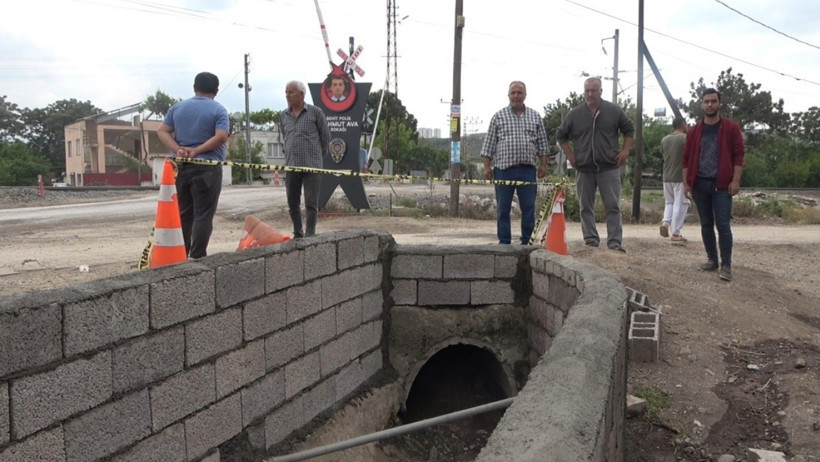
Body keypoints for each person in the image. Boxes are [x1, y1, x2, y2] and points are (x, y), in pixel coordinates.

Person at [556, 77, 634, 252]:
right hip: (584, 169)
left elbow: (629, 128)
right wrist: (570, 154)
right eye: (587, 90)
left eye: (593, 90)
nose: (590, 94)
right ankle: (591, 240)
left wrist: (626, 150)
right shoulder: (574, 114)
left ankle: (615, 242)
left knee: (613, 206)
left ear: (601, 91)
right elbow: (561, 135)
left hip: (609, 167)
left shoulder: (614, 111)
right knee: (585, 207)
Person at [157, 71, 229, 259]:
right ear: (216, 90)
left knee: (184, 213)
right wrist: (197, 151)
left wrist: (178, 148)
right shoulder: (218, 110)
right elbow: (221, 136)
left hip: (181, 167)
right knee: (203, 215)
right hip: (208, 169)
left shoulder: (177, 108)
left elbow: (162, 131)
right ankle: (197, 256)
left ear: (194, 88)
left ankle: (181, 253)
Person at [683, 88, 745, 281]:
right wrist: (686, 184)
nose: (710, 105)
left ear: (719, 103)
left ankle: (726, 264)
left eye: (713, 101)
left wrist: (735, 180)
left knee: (723, 225)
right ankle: (712, 259)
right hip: (700, 184)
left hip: (722, 186)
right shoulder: (694, 131)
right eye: (706, 101)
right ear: (701, 104)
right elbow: (685, 159)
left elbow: (739, 155)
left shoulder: (730, 128)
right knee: (706, 224)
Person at [480, 81, 548, 245]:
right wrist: (487, 167)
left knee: (528, 208)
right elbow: (489, 144)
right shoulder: (498, 116)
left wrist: (543, 165)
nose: (516, 95)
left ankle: (527, 242)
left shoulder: (535, 116)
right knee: (503, 209)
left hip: (527, 170)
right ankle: (504, 243)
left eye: (519, 92)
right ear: (508, 95)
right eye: (513, 93)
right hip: (504, 170)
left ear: (525, 95)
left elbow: (543, 144)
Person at [281, 80, 331, 238]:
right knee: (292, 203)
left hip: (312, 166)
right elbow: (285, 137)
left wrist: (316, 157)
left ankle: (310, 235)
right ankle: (298, 233)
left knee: (311, 203)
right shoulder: (284, 115)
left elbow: (325, 139)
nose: (287, 95)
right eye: (286, 92)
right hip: (291, 166)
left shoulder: (316, 112)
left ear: (301, 95)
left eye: (291, 92)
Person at [660, 117, 690, 244]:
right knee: (681, 203)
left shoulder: (664, 140)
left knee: (669, 202)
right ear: (683, 125)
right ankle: (676, 233)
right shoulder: (685, 139)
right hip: (680, 176)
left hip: (667, 176)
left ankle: (666, 223)